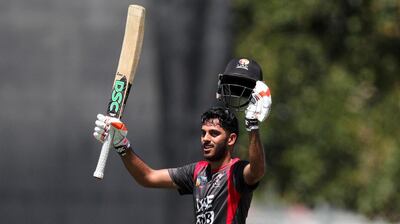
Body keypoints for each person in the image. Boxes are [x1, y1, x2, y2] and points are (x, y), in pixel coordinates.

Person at [93, 58, 271, 224]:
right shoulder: (196, 172)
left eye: (214, 134)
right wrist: (122, 145)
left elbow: (257, 171)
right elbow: (148, 177)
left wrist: (253, 125)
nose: (206, 139)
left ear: (231, 139)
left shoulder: (236, 171)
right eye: (203, 133)